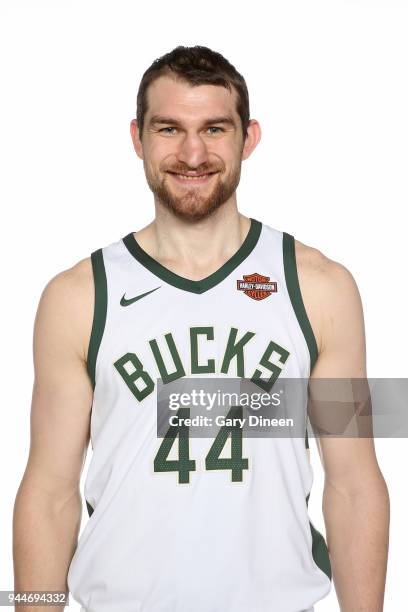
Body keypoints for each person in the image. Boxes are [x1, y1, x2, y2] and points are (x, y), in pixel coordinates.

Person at [13, 45, 389, 612]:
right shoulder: (76, 297)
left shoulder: (321, 287)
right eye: (169, 129)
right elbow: (48, 491)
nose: (193, 152)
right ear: (138, 138)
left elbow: (354, 483)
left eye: (215, 128)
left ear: (249, 138)